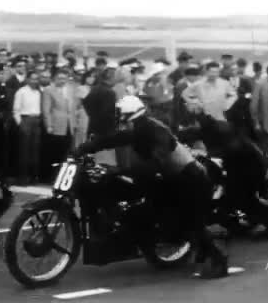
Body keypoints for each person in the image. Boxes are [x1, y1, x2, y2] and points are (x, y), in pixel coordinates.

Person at [74, 96, 229, 279]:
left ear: (130, 114)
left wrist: (120, 170)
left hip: (189, 180)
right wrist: (86, 148)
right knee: (141, 208)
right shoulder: (140, 127)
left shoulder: (155, 130)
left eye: (120, 114)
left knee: (191, 222)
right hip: (169, 179)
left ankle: (219, 261)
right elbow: (116, 138)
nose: (118, 117)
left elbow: (157, 161)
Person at [42, 69, 78, 174]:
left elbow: (73, 108)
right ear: (54, 79)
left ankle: (62, 174)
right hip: (56, 124)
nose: (62, 81)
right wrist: (48, 125)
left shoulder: (70, 89)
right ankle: (52, 174)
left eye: (64, 78)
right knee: (55, 151)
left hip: (69, 125)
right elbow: (46, 109)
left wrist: (74, 123)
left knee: (66, 151)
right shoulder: (49, 90)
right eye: (60, 78)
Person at [83, 67, 119, 165]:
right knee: (105, 162)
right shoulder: (109, 92)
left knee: (91, 158)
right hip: (105, 132)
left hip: (92, 127)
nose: (117, 80)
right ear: (111, 78)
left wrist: (93, 116)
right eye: (116, 77)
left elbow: (85, 103)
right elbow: (108, 113)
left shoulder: (95, 89)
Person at [13, 71, 43, 185]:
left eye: (36, 79)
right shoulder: (21, 92)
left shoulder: (38, 92)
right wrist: (21, 124)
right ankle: (22, 178)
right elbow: (16, 110)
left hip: (37, 121)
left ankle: (33, 177)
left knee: (35, 151)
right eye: (32, 79)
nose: (35, 81)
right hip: (25, 119)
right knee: (24, 152)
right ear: (27, 79)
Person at [225, 61, 255, 140]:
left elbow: (250, 94)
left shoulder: (245, 80)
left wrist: (241, 96)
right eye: (231, 69)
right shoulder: (225, 81)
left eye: (234, 69)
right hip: (229, 110)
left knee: (245, 129)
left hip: (243, 109)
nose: (233, 71)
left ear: (237, 70)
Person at [172, 63, 203, 132]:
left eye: (197, 76)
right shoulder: (180, 87)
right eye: (195, 76)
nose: (198, 78)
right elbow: (177, 105)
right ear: (188, 76)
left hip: (197, 117)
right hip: (184, 118)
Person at [143, 59, 174, 126]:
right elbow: (165, 96)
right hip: (160, 111)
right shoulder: (161, 81)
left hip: (156, 110)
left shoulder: (149, 81)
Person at [74, 69, 96, 148]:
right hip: (83, 113)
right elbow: (79, 103)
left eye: (93, 77)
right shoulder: (81, 88)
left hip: (93, 114)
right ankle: (78, 153)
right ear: (85, 78)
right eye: (89, 77)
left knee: (91, 135)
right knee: (82, 134)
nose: (91, 78)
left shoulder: (95, 88)